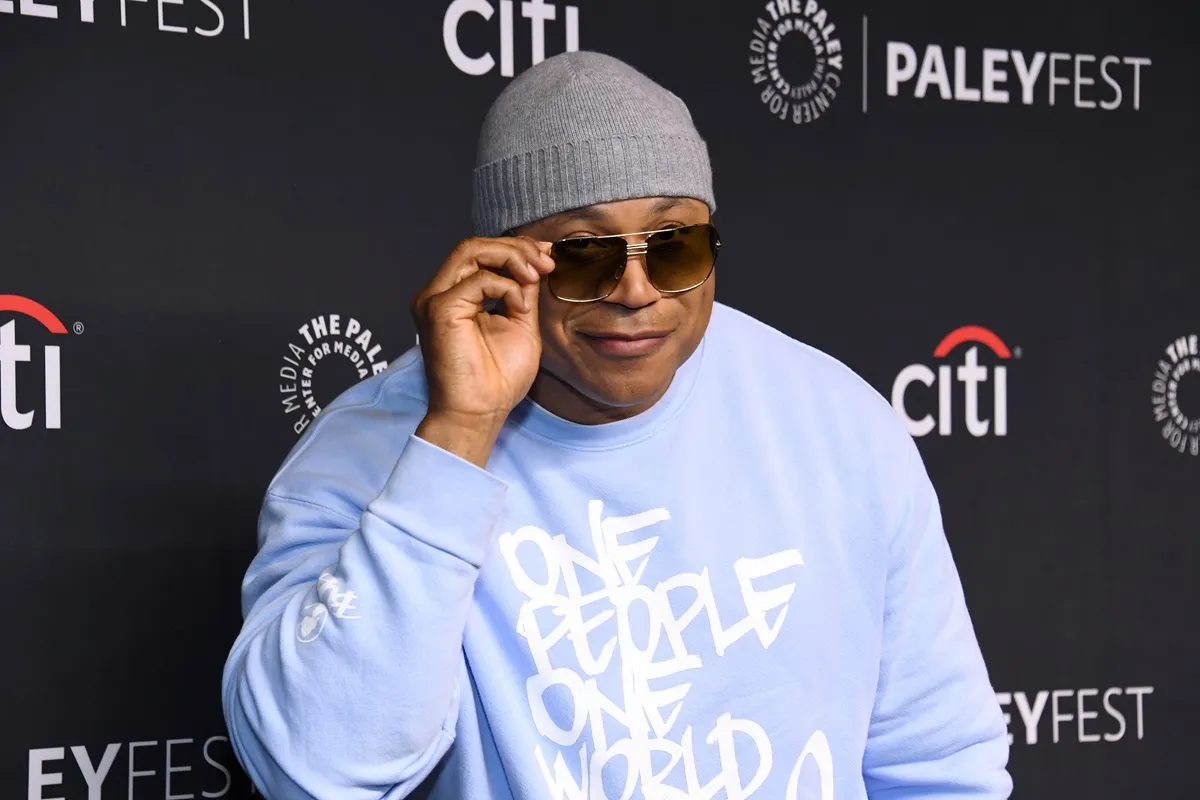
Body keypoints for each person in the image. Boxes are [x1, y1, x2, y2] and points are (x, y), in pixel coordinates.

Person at [221, 50, 1012, 799]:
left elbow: (937, 761)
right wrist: (461, 432)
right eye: (583, 254)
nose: (636, 291)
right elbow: (318, 772)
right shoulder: (372, 451)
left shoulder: (839, 423)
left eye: (673, 247)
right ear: (500, 264)